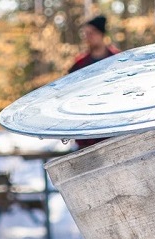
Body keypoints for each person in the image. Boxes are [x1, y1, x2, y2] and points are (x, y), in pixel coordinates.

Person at [68, 15, 119, 148]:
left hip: (114, 129)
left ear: (101, 34)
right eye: (86, 34)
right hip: (87, 133)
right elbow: (69, 96)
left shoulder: (118, 60)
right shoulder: (79, 65)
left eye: (91, 33)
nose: (88, 37)